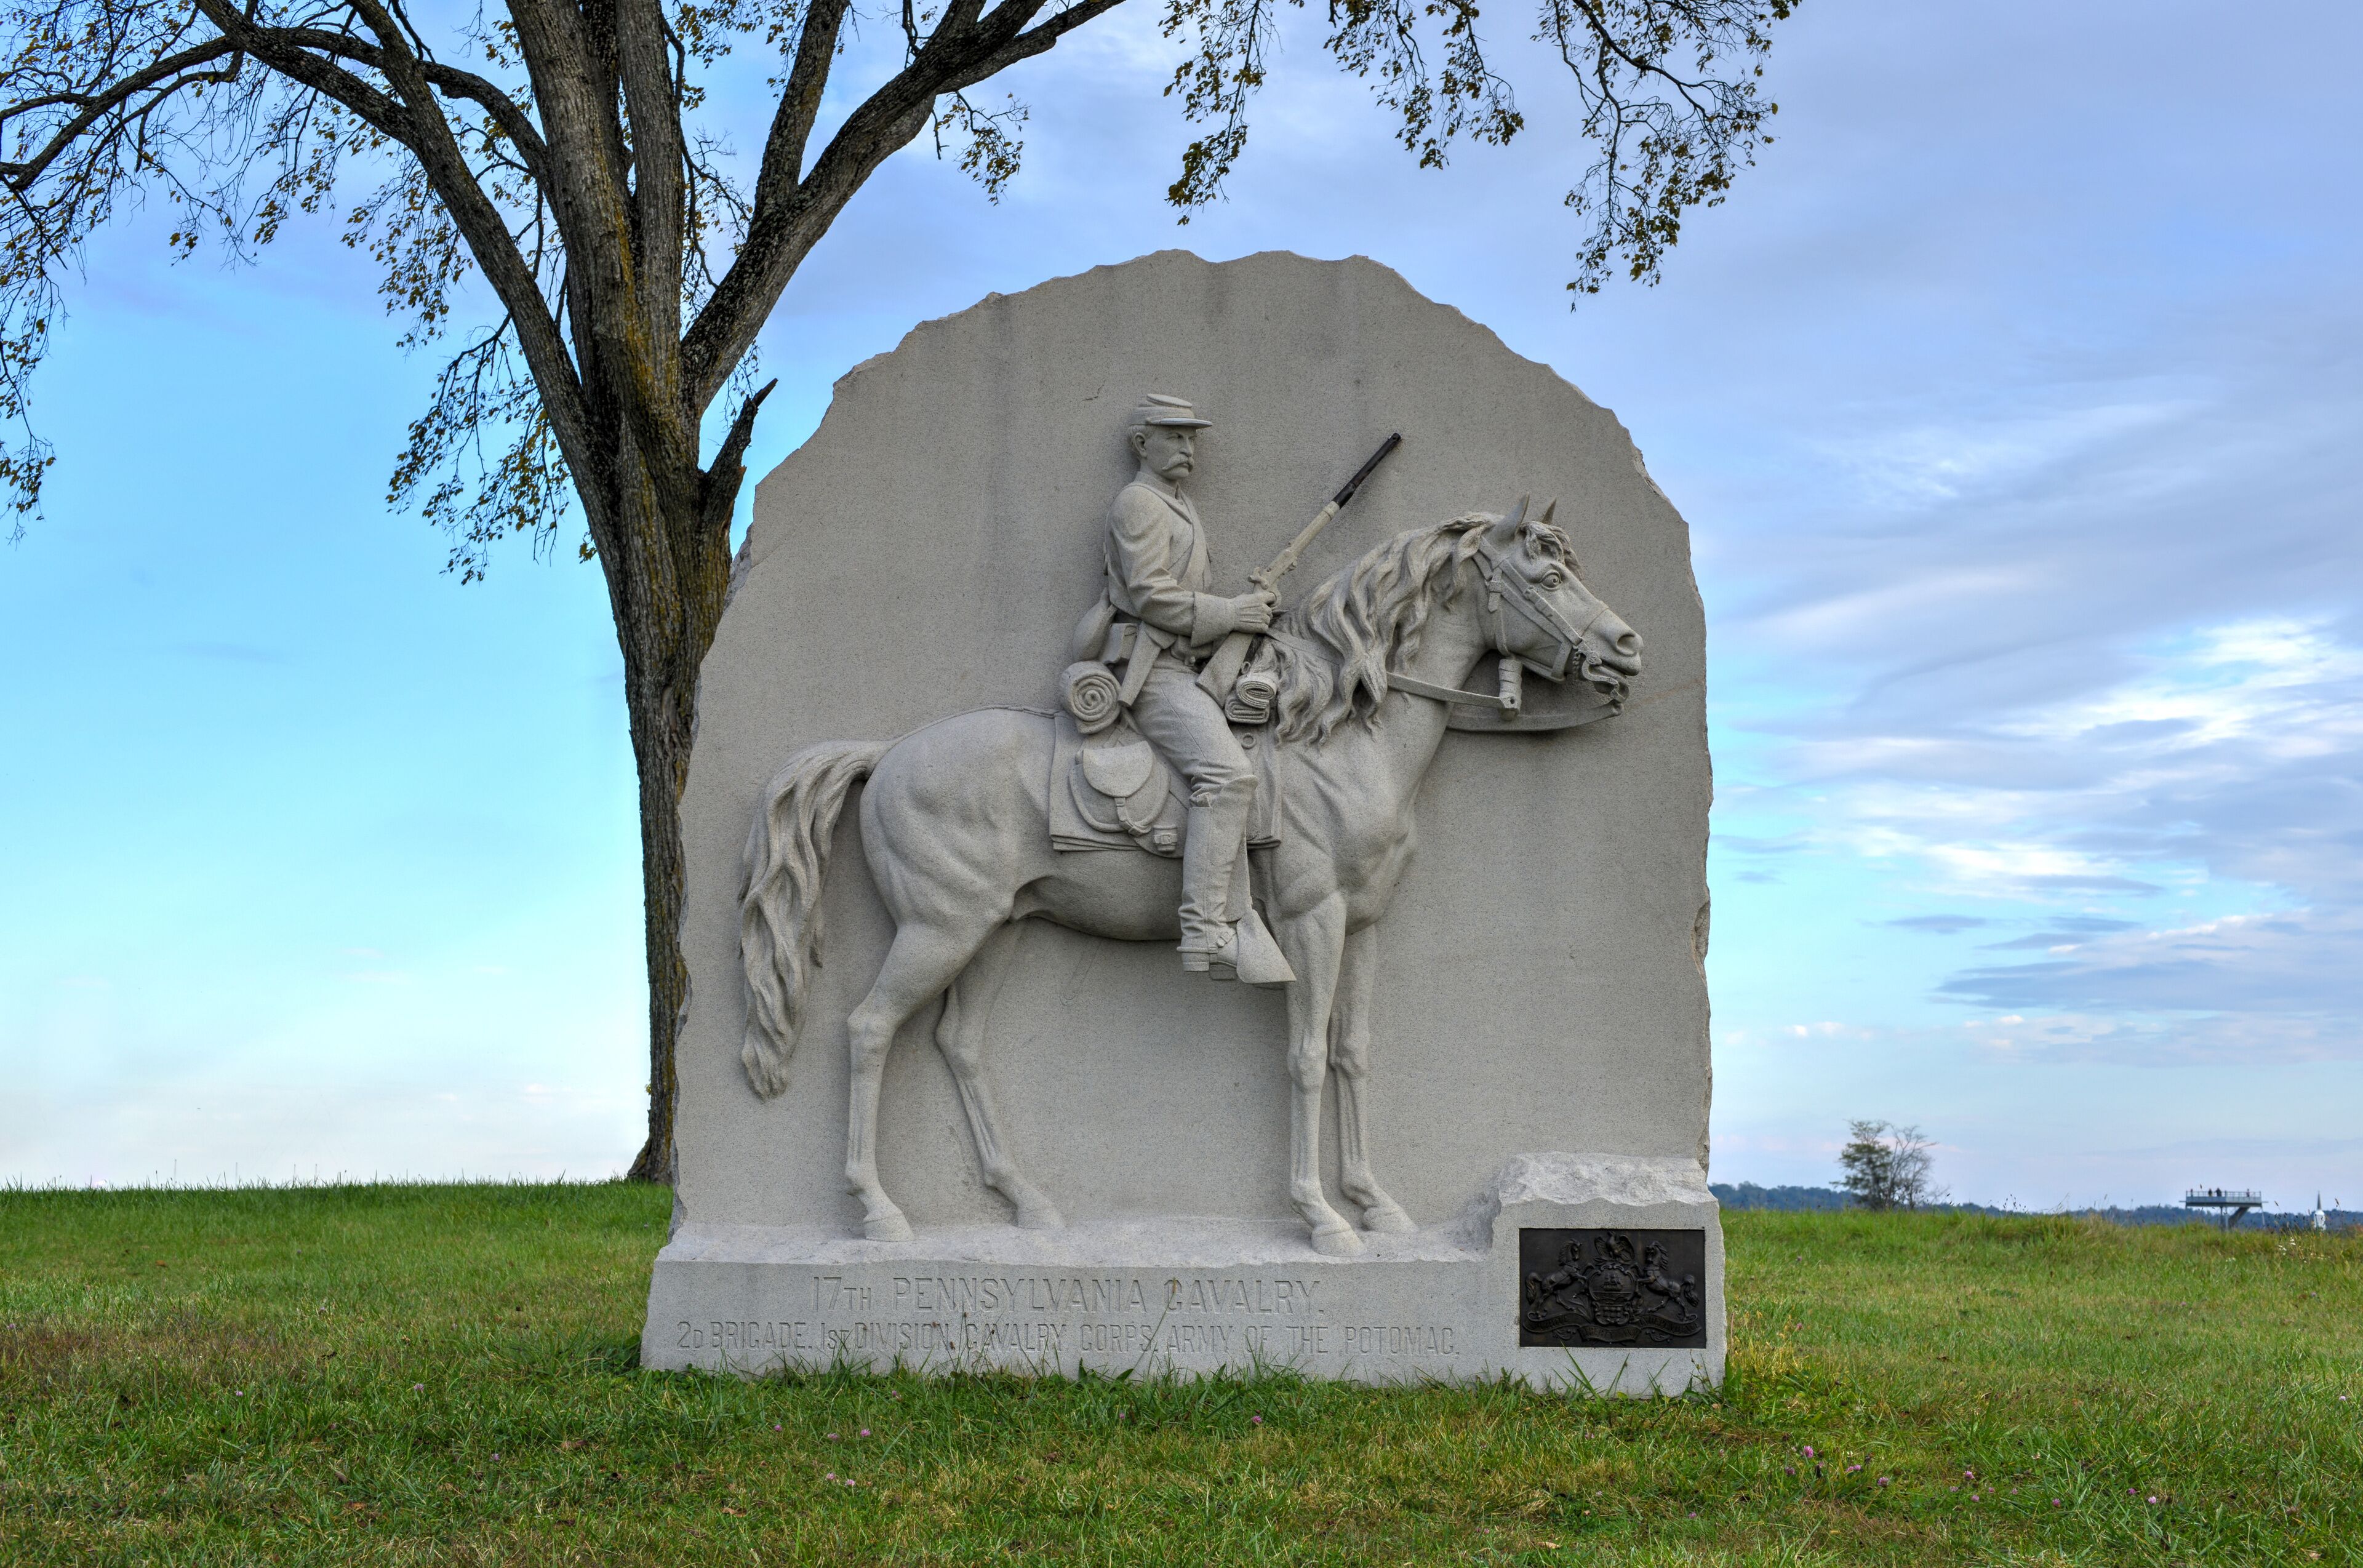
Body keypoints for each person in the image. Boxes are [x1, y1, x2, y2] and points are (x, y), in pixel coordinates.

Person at [1073, 395, 1277, 979]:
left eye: (1194, 439)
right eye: (1176, 437)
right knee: (1227, 774)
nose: (1189, 449)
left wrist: (1251, 615)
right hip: (1153, 671)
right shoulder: (1139, 502)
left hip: (1186, 665)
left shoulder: (1177, 504)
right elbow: (1149, 596)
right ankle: (1204, 926)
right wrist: (1230, 612)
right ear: (1143, 444)